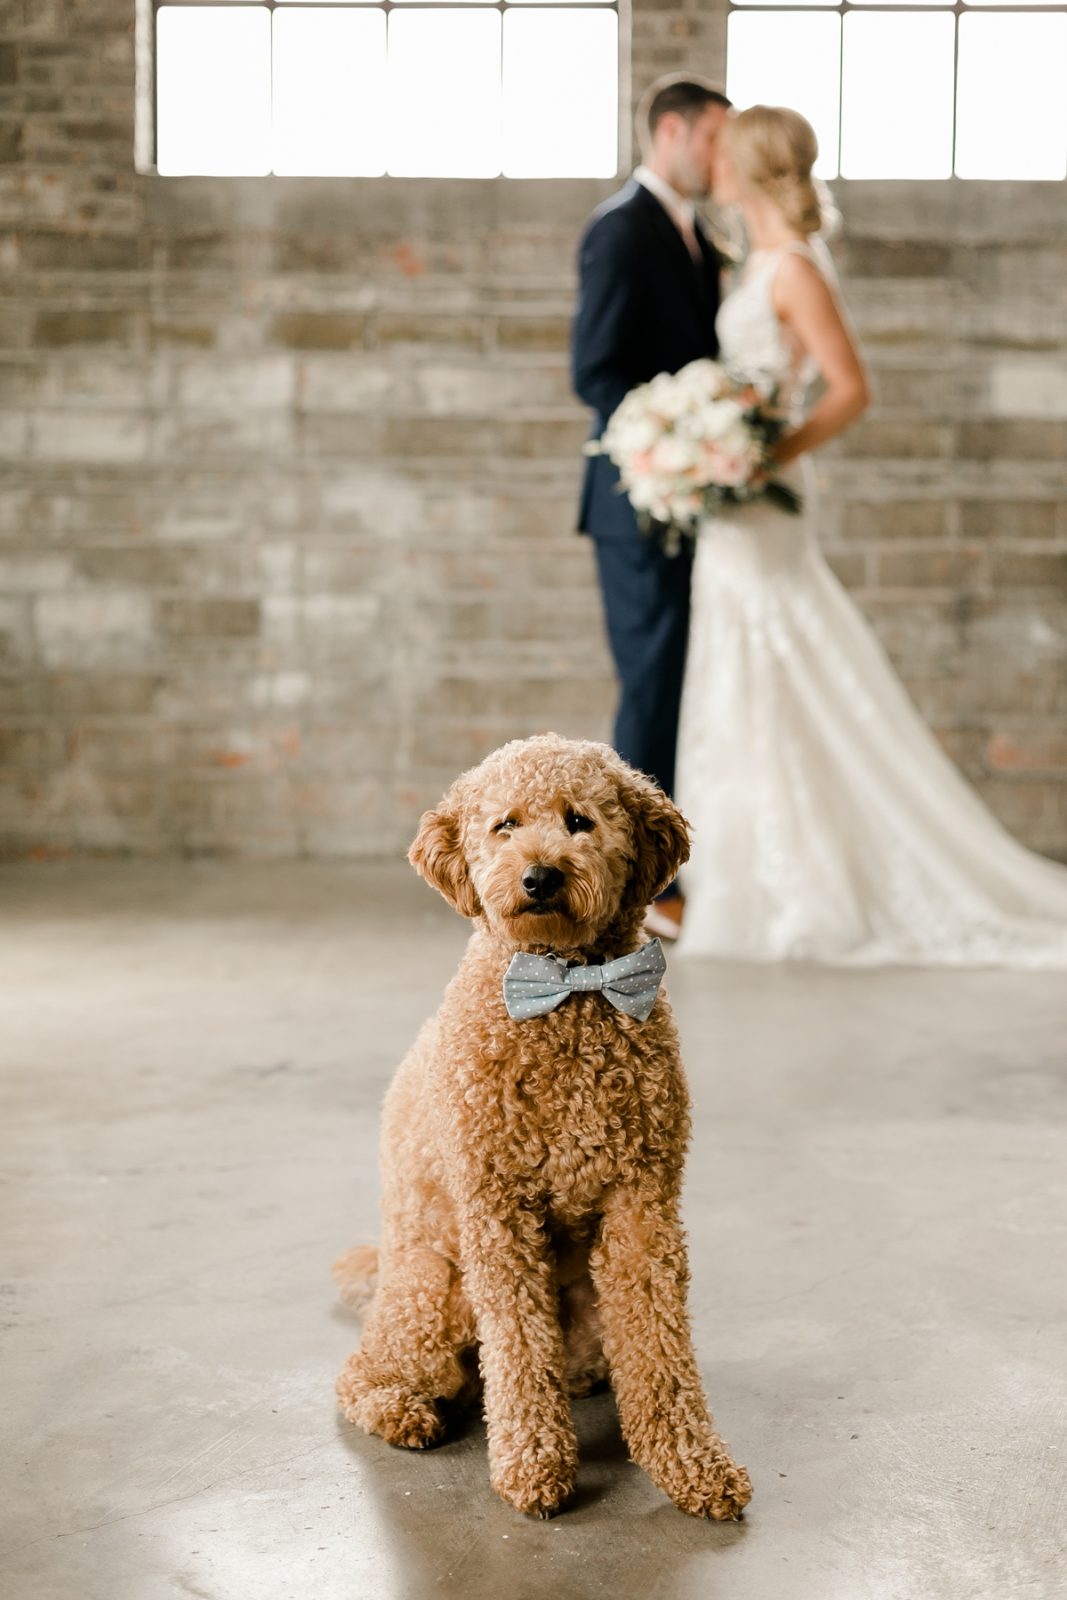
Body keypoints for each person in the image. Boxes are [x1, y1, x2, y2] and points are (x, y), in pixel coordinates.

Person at [674, 104, 1067, 967]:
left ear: (750, 167)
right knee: (748, 673)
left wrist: (761, 456)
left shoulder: (794, 270)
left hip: (762, 499)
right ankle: (759, 878)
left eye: (726, 155)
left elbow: (849, 388)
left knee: (784, 662)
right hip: (734, 506)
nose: (713, 167)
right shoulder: (758, 261)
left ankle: (808, 888)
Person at [571, 75, 731, 941]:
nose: (721, 159)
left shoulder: (700, 236)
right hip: (636, 498)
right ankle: (632, 885)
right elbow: (592, 370)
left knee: (684, 684)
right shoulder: (620, 229)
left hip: (692, 493)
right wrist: (670, 436)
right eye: (713, 139)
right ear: (670, 131)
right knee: (649, 683)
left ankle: (670, 871)